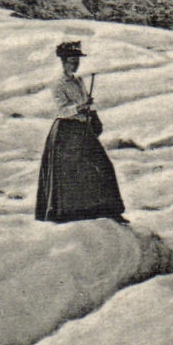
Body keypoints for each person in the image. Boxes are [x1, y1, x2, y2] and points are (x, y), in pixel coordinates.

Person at [34, 40, 126, 223]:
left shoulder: (79, 81)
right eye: (72, 60)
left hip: (82, 130)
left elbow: (84, 104)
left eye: (77, 60)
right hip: (66, 134)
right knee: (71, 174)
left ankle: (108, 210)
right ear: (63, 61)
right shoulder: (58, 84)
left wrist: (92, 114)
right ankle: (70, 214)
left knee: (102, 166)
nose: (75, 63)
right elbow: (62, 111)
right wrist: (81, 107)